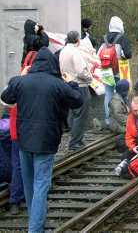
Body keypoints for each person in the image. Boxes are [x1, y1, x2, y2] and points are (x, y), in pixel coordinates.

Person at [1, 47, 83, 233]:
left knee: (30, 184)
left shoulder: (21, 82)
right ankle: (36, 228)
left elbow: (5, 97)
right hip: (46, 142)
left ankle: (36, 222)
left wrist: (21, 75)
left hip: (23, 142)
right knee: (41, 185)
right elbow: (77, 100)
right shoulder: (57, 84)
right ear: (53, 65)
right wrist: (72, 83)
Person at [59, 31, 93, 151]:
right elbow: (81, 71)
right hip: (80, 86)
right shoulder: (75, 52)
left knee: (72, 113)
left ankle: (75, 138)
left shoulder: (63, 51)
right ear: (78, 40)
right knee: (81, 114)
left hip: (67, 84)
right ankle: (75, 142)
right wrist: (90, 77)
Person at [98, 16, 132, 128]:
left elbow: (98, 54)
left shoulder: (104, 38)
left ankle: (108, 119)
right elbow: (128, 54)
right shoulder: (122, 38)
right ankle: (124, 117)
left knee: (108, 93)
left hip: (106, 70)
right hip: (119, 70)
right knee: (122, 93)